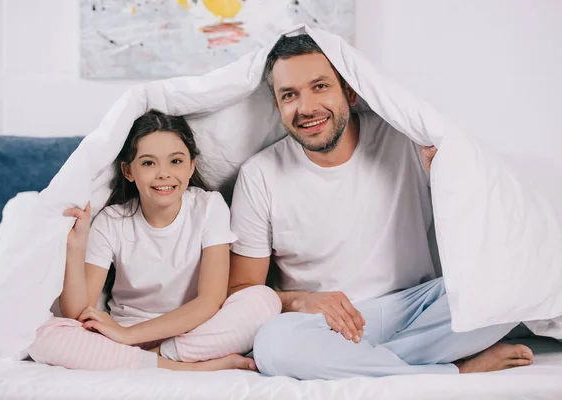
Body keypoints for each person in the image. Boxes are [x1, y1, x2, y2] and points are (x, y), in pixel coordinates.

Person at [227, 34, 534, 379]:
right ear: (278, 106)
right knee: (273, 345)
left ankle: (368, 365)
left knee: (511, 278)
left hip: (415, 307)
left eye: (320, 87)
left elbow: (479, 214)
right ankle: (452, 369)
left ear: (350, 92)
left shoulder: (405, 139)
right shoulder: (260, 175)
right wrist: (301, 301)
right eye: (289, 95)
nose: (306, 107)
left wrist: (450, 177)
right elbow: (243, 292)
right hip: (324, 323)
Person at [28, 110, 281, 371]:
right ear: (128, 171)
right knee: (41, 335)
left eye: (176, 161)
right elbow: (79, 313)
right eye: (149, 163)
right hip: (122, 335)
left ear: (191, 165)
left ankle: (160, 359)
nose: (164, 174)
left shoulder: (208, 207)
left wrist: (130, 336)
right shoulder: (112, 221)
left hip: (189, 333)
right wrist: (76, 247)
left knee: (263, 300)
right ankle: (188, 368)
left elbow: (209, 301)